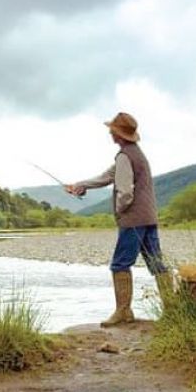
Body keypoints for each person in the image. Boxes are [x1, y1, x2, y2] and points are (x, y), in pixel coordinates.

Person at [66, 112, 171, 327]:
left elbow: (125, 191)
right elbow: (106, 176)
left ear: (118, 134)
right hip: (149, 217)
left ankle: (123, 312)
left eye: (112, 130)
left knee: (119, 264)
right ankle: (173, 310)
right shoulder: (135, 153)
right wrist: (81, 185)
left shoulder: (124, 156)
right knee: (157, 263)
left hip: (133, 220)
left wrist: (121, 211)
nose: (109, 133)